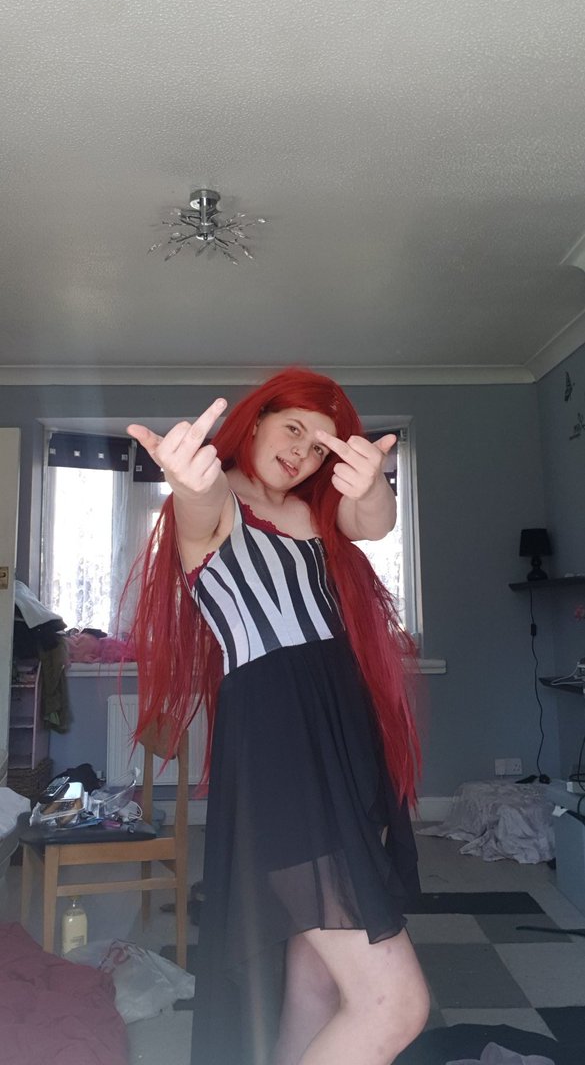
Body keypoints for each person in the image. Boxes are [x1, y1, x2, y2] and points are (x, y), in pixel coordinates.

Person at [127, 368, 430, 1065]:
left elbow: (373, 523)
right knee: (394, 1005)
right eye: (293, 428)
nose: (302, 452)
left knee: (316, 977)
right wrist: (188, 480)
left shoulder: (313, 512)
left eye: (320, 446)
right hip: (281, 743)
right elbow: (200, 501)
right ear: (256, 419)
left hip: (345, 731)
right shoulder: (215, 505)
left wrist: (373, 486)